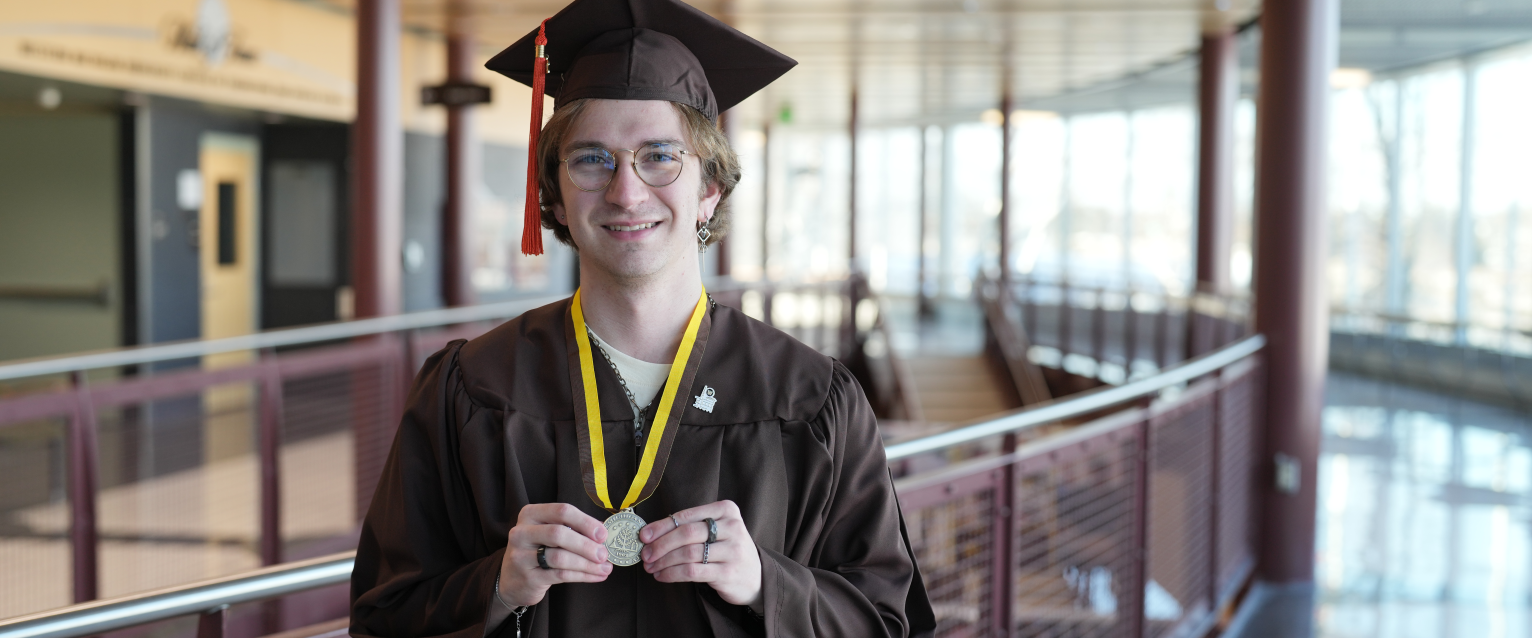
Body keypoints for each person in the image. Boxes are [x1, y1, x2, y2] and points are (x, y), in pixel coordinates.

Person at [349, 0, 934, 635]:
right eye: (592, 159)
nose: (627, 192)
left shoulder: (812, 399)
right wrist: (495, 586)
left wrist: (769, 583)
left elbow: (889, 621)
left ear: (709, 188)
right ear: (557, 196)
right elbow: (384, 617)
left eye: (660, 156)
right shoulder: (472, 389)